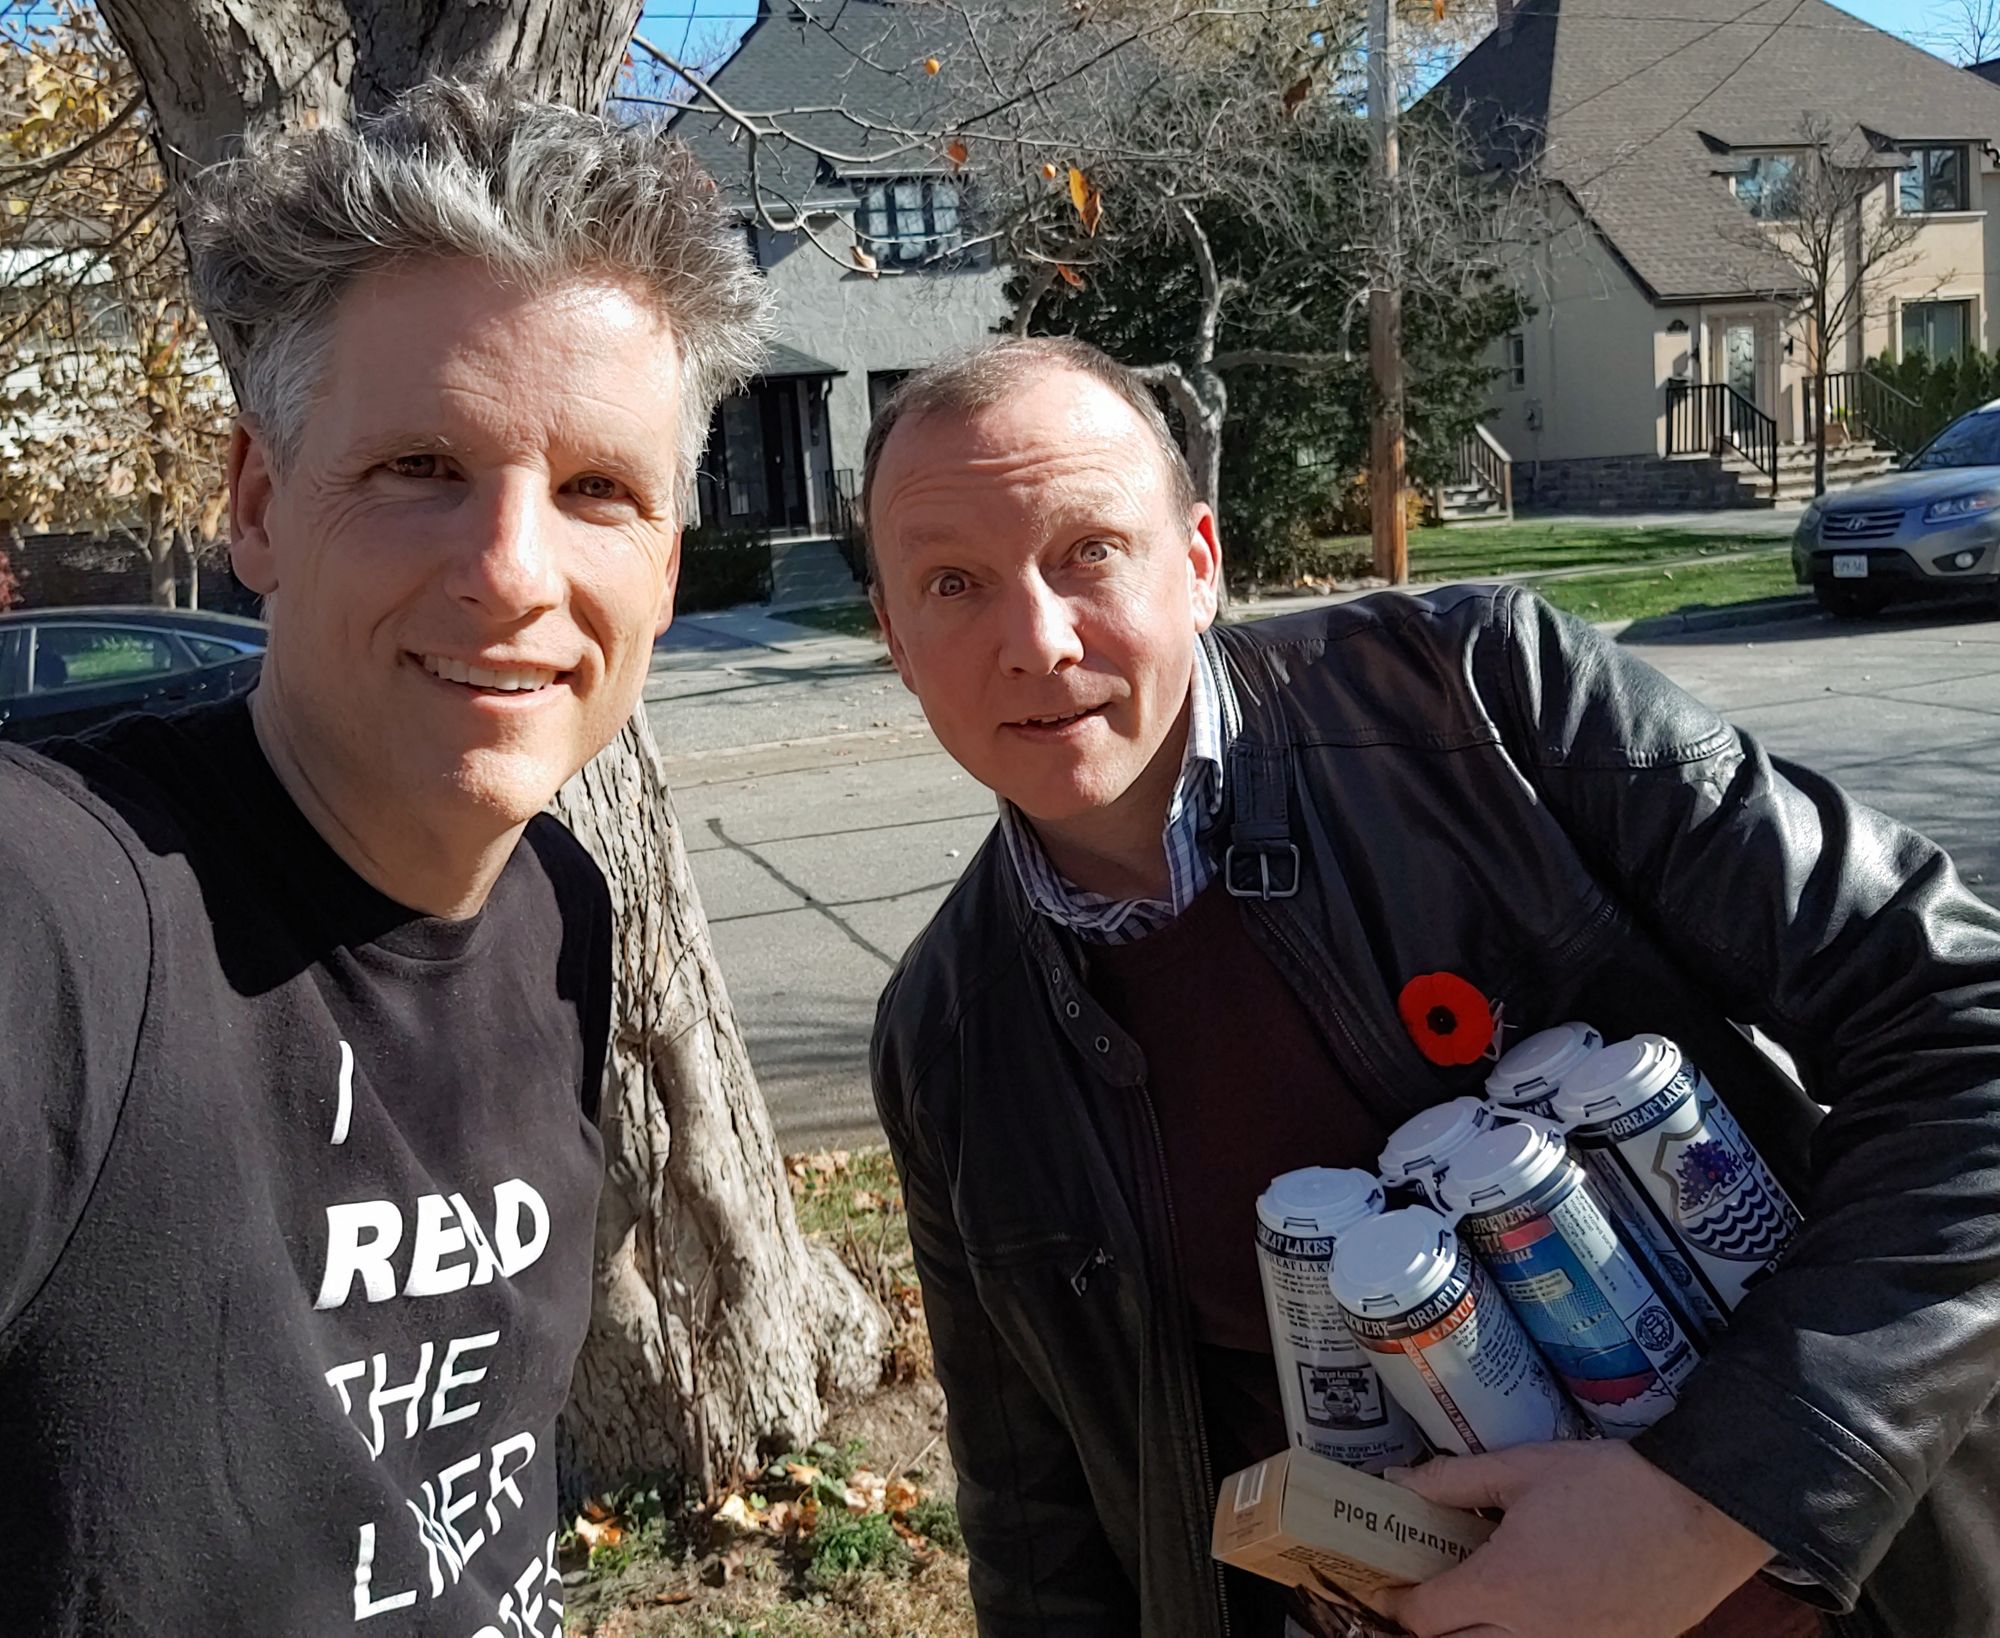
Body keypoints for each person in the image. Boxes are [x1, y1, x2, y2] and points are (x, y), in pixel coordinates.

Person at [863, 336, 2000, 1638]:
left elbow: (1965, 1023)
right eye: (953, 583)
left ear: (1200, 562)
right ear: (894, 636)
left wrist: (1717, 1503)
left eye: (1089, 552)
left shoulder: (1488, 703)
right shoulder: (949, 1039)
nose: (1036, 639)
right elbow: (1038, 1521)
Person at [0, 82, 768, 1633]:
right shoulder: (61, 915)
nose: (513, 570)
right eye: (421, 467)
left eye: (599, 491)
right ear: (260, 503)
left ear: (666, 570)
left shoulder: (561, 910)